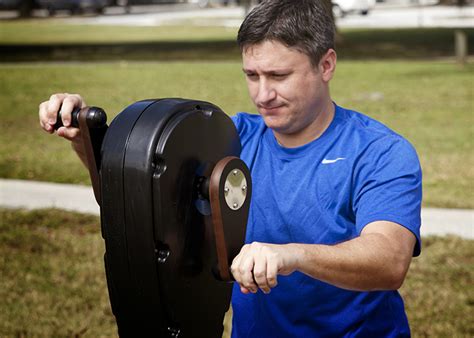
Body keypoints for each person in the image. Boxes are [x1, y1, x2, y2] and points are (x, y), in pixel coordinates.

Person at [39, 0, 422, 336]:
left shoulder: (380, 152)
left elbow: (389, 261)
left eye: (278, 76)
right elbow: (137, 209)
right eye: (252, 76)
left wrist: (293, 256)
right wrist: (84, 139)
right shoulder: (231, 138)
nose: (262, 94)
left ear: (326, 65)